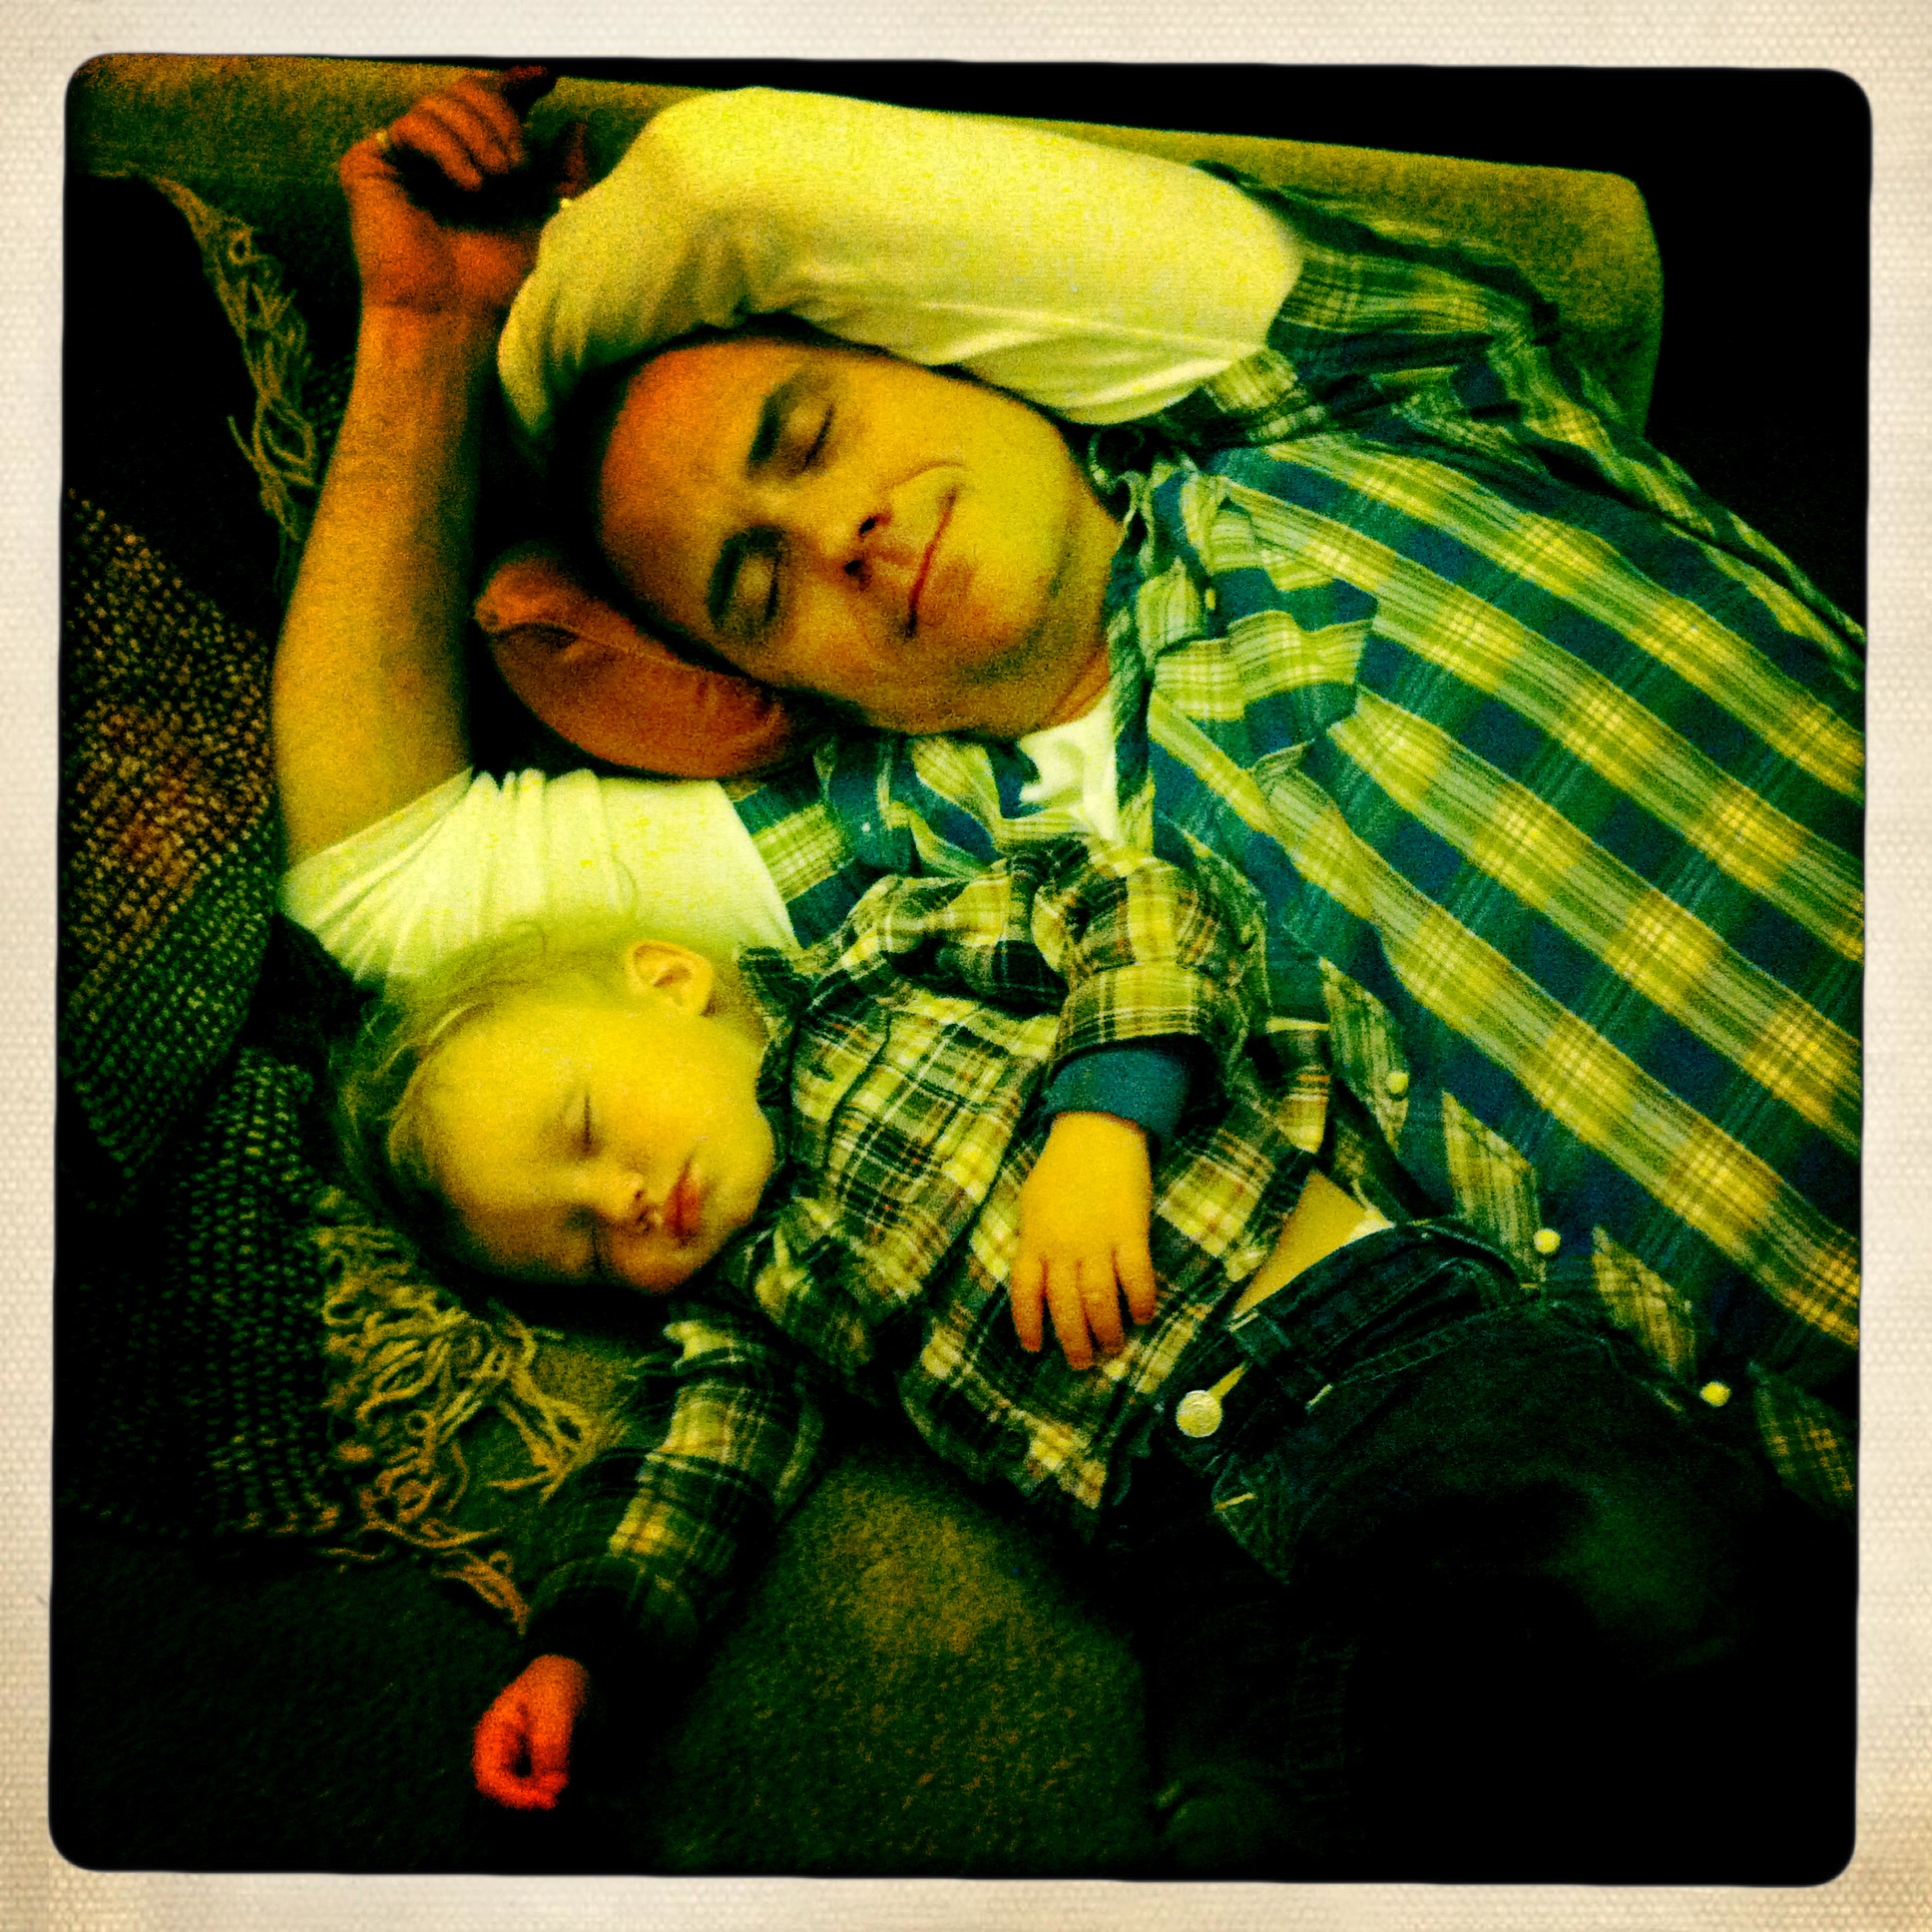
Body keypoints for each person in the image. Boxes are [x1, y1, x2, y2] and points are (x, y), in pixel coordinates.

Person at [271, 68, 1854, 1875]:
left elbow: (733, 173)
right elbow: (380, 879)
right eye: (758, 588)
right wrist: (418, 340)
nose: (838, 535)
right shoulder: (891, 875)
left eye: (811, 433)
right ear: (774, 687)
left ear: (954, 348)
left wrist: (533, 346)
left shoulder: (1357, 400)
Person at [328, 841, 1819, 1879]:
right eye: (583, 1251)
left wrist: (1103, 1116)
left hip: (1372, 1338)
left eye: (588, 1133)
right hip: (1183, 1545)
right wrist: (584, 1649)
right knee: (1246, 1823)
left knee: (1662, 1575)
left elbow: (1142, 900)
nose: (623, 1205)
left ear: (669, 979)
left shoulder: (880, 965)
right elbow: (690, 1461)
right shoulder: (748, 1301)